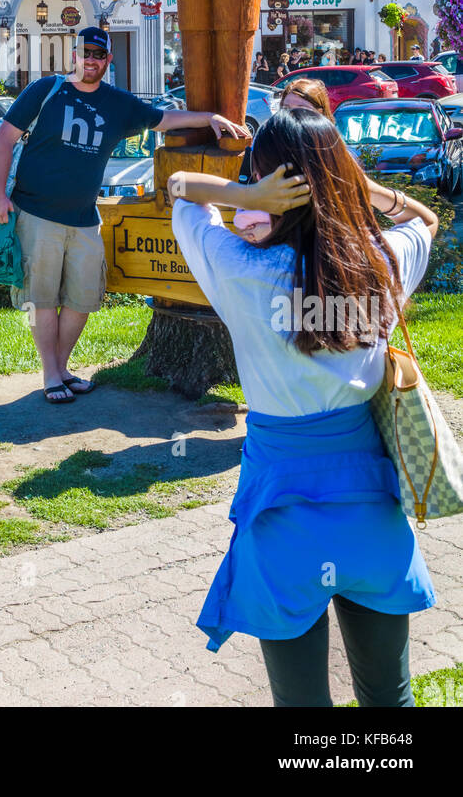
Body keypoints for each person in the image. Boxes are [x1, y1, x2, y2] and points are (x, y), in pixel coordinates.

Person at [166, 108, 438, 707]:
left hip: (281, 514)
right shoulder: (382, 263)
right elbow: (425, 218)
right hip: (371, 509)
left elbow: (178, 190)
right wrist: (357, 187)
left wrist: (241, 190)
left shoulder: (238, 269)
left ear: (270, 186)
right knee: (389, 699)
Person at [0, 26, 249, 404]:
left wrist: (208, 117)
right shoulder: (45, 91)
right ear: (72, 55)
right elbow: (3, 140)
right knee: (42, 298)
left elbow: (163, 120)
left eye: (99, 54)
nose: (90, 59)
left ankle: (61, 370)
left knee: (83, 299)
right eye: (84, 52)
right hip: (36, 212)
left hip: (84, 218)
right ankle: (51, 375)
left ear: (108, 61)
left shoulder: (117, 104)